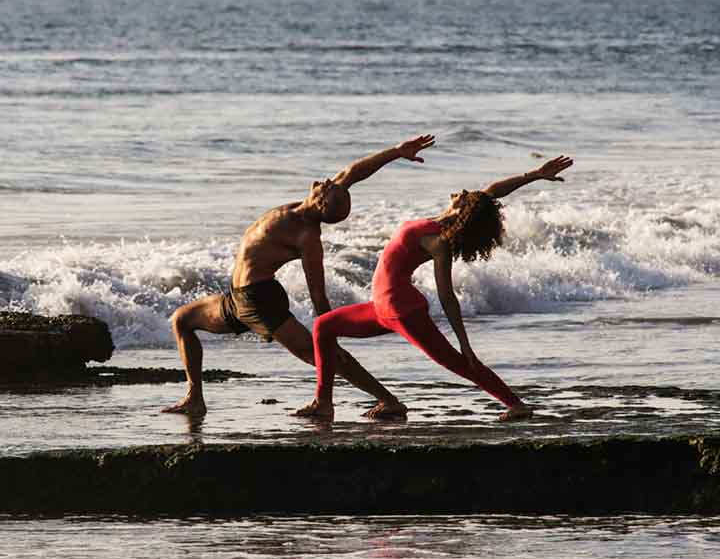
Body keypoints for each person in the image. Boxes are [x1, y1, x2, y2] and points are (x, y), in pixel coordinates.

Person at [162, 134, 436, 417]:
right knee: (182, 319)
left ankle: (387, 400)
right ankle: (194, 397)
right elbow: (354, 172)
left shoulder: (307, 237)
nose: (328, 182)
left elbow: (318, 293)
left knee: (320, 355)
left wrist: (330, 331)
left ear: (321, 205)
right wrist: (395, 151)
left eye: (329, 189)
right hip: (236, 300)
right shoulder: (304, 206)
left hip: (261, 302)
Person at [296, 154, 574, 421]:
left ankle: (516, 405)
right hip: (382, 308)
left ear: (465, 210)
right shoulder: (443, 221)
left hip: (402, 311)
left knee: (457, 362)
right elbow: (492, 192)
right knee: (323, 327)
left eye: (467, 196)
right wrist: (535, 175)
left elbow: (447, 297)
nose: (464, 190)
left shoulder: (437, 242)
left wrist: (466, 344)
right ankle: (327, 403)